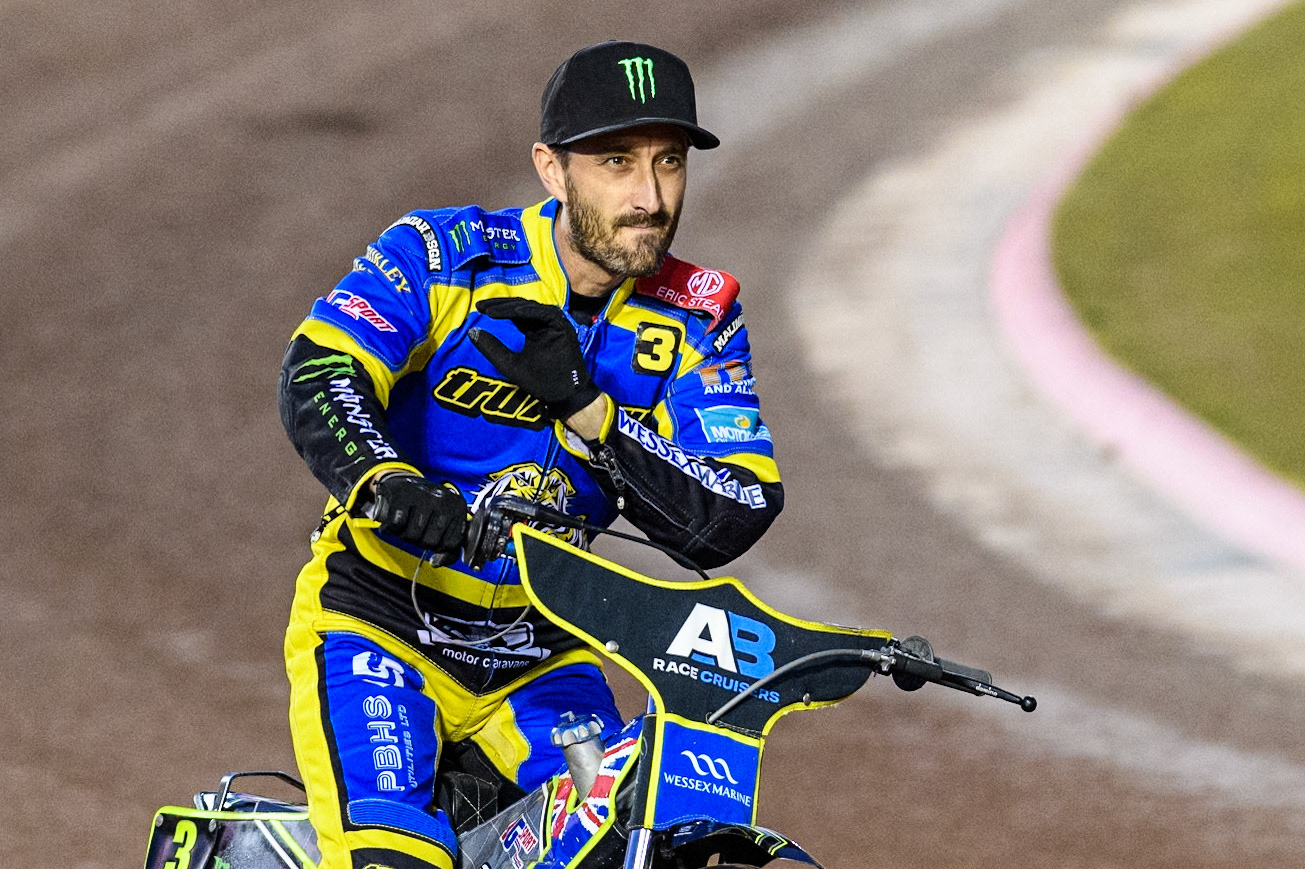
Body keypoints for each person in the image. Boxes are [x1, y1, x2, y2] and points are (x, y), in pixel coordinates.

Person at [278, 40, 782, 869]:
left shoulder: (701, 316)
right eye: (615, 162)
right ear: (551, 170)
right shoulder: (442, 254)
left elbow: (733, 512)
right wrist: (384, 478)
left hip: (545, 656)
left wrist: (590, 409)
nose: (649, 197)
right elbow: (320, 370)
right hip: (382, 627)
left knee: (657, 850)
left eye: (668, 163)